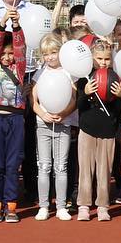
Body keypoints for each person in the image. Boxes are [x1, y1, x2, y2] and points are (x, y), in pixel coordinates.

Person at [76, 39, 121, 221]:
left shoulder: (115, 78)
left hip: (108, 131)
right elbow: (79, 105)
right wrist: (86, 93)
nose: (103, 62)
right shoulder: (85, 77)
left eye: (107, 58)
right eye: (99, 58)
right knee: (85, 168)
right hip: (87, 130)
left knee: (104, 170)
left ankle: (103, 205)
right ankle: (83, 204)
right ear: (92, 58)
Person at [0, 15, 28, 222]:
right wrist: (1, 24)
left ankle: (11, 206)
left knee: (12, 164)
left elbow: (21, 47)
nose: (8, 57)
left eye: (11, 53)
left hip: (16, 120)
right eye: (5, 53)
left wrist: (16, 26)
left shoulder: (18, 68)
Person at [30, 31, 76, 221]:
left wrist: (63, 114)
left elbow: (73, 99)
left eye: (53, 53)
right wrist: (43, 114)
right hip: (43, 125)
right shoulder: (40, 73)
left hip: (63, 125)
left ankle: (61, 206)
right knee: (44, 166)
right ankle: (43, 206)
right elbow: (33, 101)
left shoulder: (68, 72)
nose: (50, 57)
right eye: (46, 54)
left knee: (61, 166)